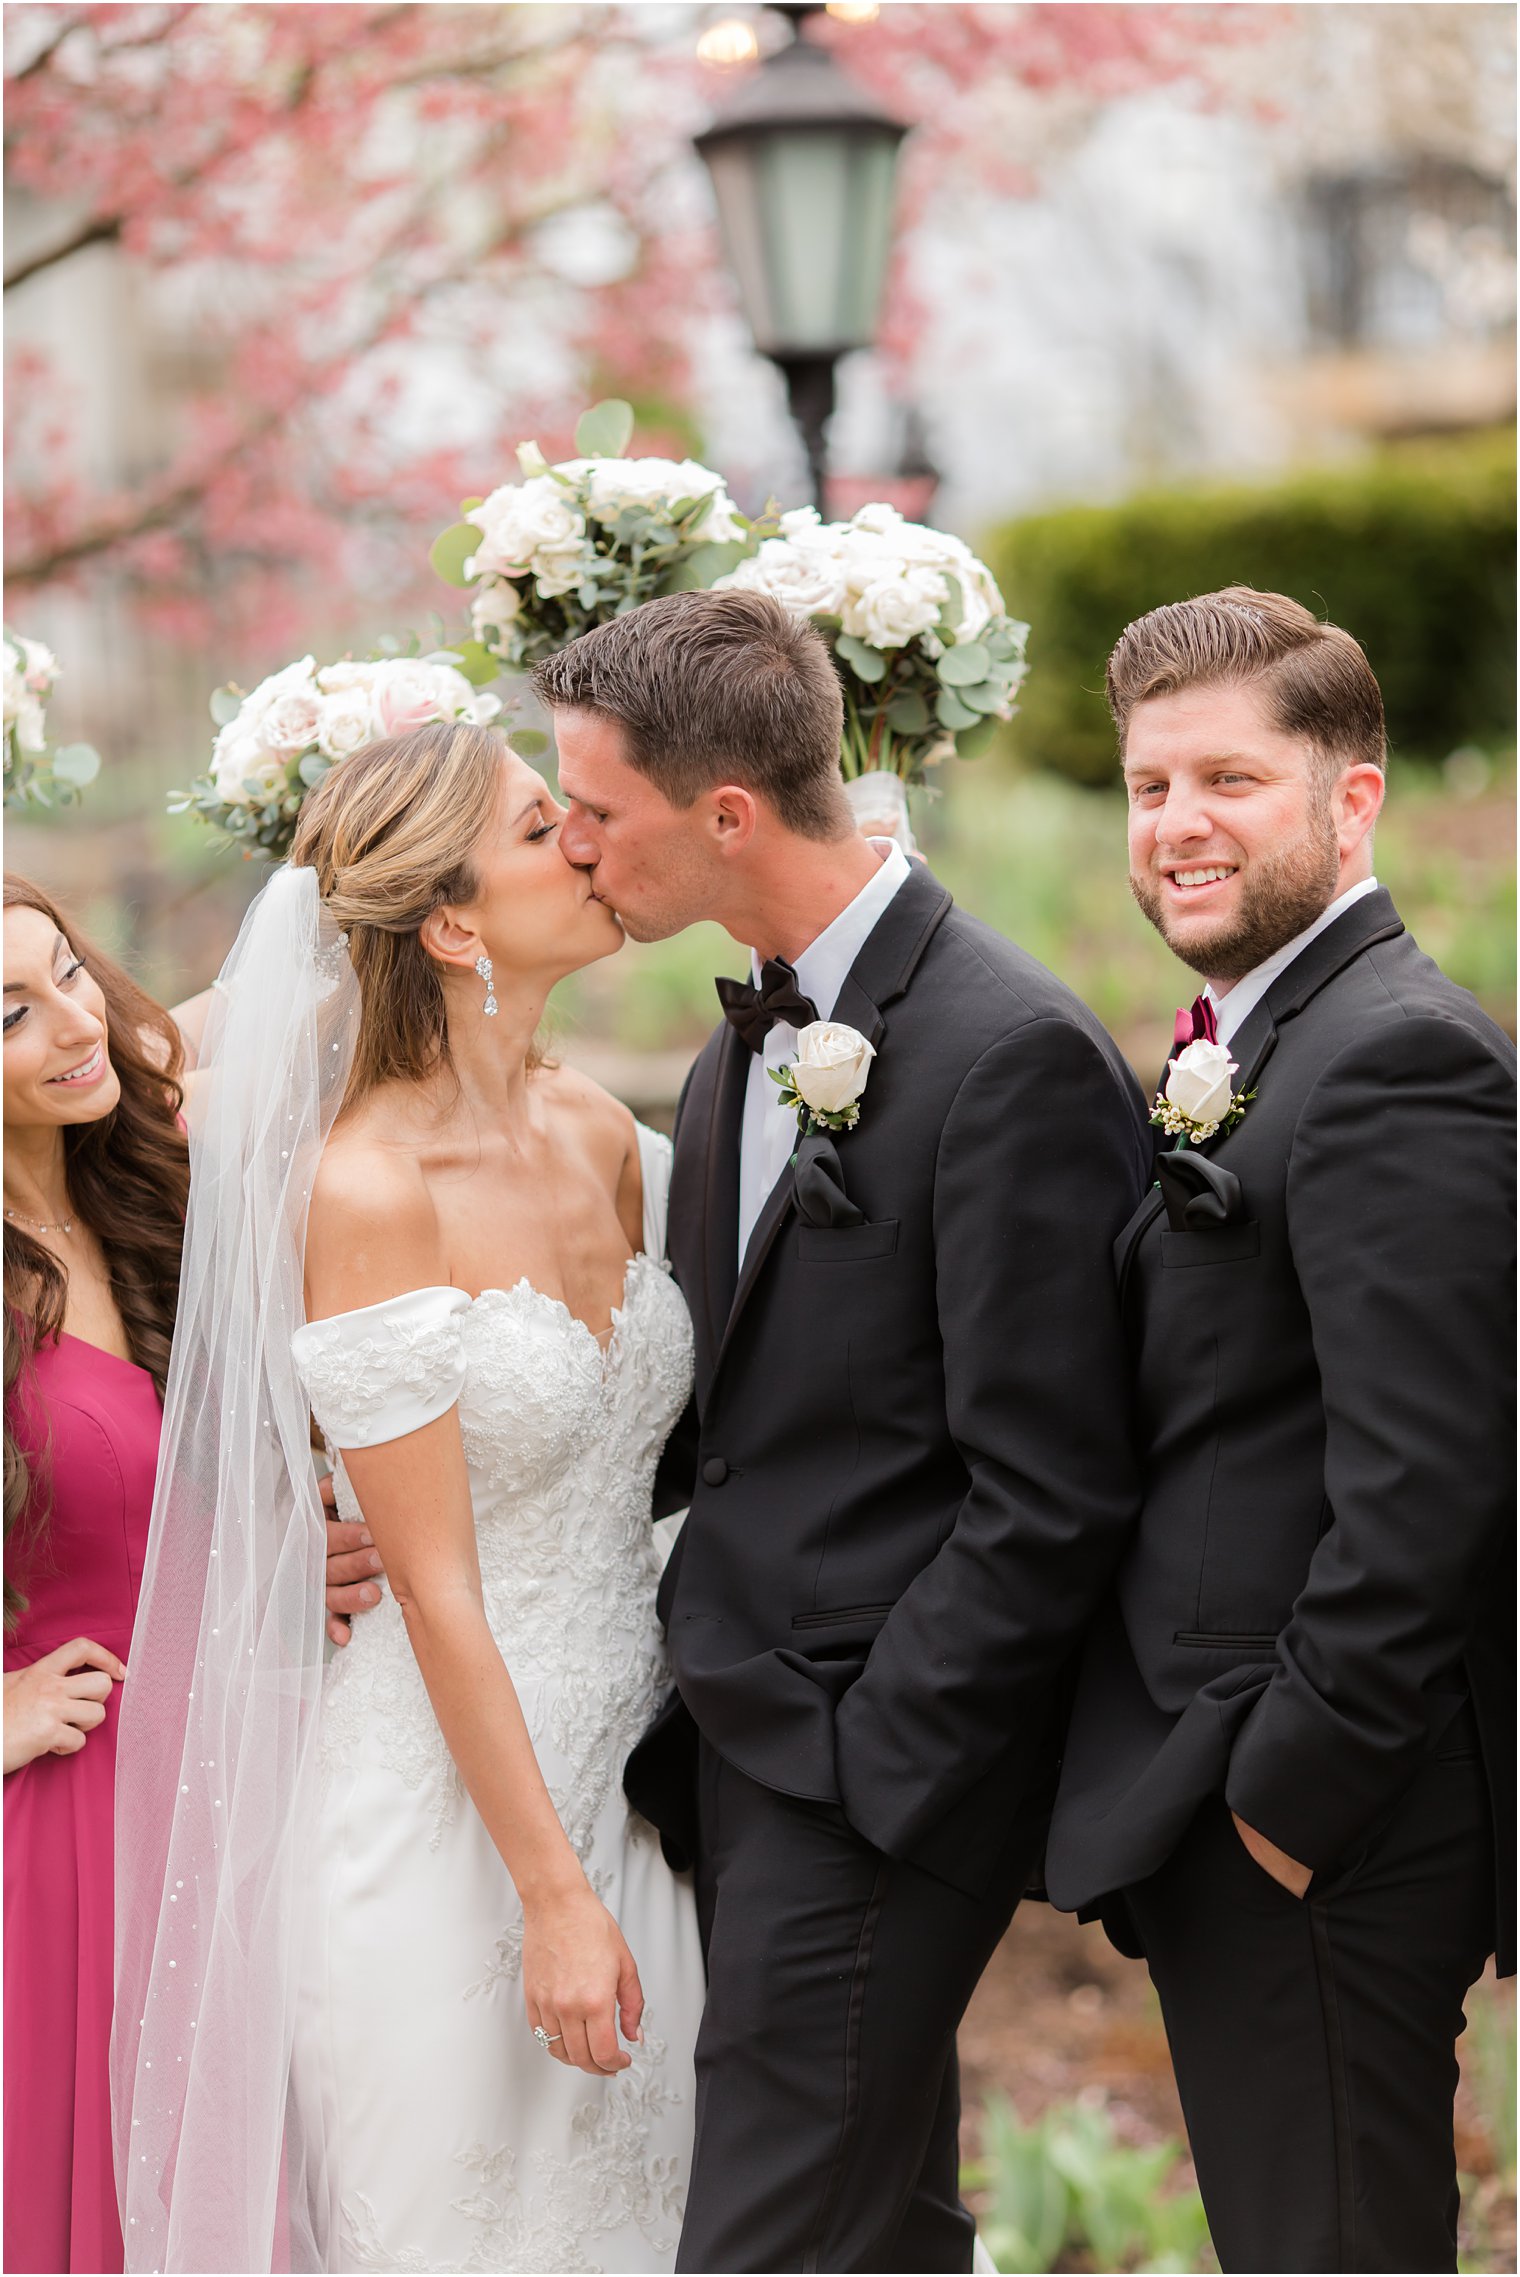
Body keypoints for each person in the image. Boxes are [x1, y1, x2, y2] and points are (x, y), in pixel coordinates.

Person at [516, 588, 1151, 2272]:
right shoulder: (742, 1051)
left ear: (725, 815)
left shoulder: (1010, 1054)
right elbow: (734, 1411)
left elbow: (1057, 1484)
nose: (574, 846)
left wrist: (876, 1766)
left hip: (871, 1765)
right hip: (736, 1741)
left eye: (595, 809)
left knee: (767, 2233)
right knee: (874, 2226)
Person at [113, 723, 705, 2273]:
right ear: (449, 922)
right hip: (454, 1827)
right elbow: (438, 1588)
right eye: (537, 828)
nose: (583, 841)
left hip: (640, 1780)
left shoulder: (602, 1135)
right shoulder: (373, 1187)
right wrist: (552, 1896)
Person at [1045, 588, 1515, 2274]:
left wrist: (1282, 1804)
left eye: (1228, 780)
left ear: (1352, 795)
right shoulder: (1274, 1039)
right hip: (1247, 1795)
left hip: (1327, 1815)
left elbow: (1432, 1487)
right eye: (1150, 785)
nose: (1177, 824)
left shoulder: (1398, 1060)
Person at [2, 873, 189, 2275]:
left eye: (69, 970)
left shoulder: (138, 1186)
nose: (76, 1021)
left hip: (214, 1776)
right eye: (13, 1011)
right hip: (57, 1823)